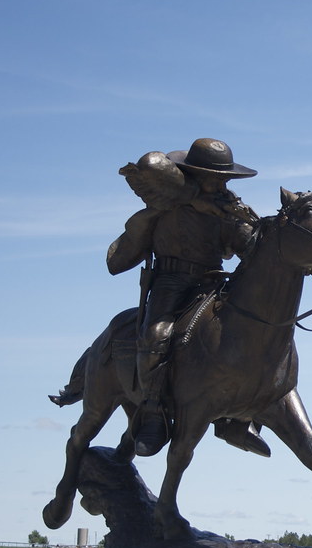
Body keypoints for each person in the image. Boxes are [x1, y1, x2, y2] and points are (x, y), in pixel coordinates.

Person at [108, 138, 268, 457]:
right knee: (156, 336)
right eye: (213, 177)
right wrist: (193, 199)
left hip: (213, 281)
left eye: (225, 178)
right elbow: (152, 162)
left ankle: (240, 419)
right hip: (171, 281)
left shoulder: (227, 209)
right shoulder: (165, 207)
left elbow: (246, 248)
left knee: (253, 334)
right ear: (192, 175)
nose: (221, 183)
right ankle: (152, 412)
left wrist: (266, 245)